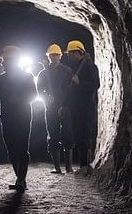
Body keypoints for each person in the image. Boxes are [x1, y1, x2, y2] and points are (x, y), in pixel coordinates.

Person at [0, 45, 39, 192]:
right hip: (7, 118)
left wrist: (19, 99)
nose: (2, 63)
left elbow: (34, 95)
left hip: (22, 118)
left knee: (21, 148)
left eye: (4, 60)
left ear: (12, 61)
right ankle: (19, 178)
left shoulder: (27, 77)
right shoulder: (1, 79)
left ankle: (21, 179)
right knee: (11, 150)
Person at [62, 39, 100, 175]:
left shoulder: (90, 67)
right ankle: (83, 165)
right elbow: (71, 89)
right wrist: (65, 105)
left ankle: (85, 166)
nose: (69, 57)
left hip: (86, 107)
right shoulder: (78, 67)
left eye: (71, 54)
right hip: (77, 107)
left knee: (84, 134)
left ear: (78, 52)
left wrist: (80, 83)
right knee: (78, 134)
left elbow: (95, 85)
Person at [37, 43, 75, 174]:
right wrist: (46, 97)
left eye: (56, 55)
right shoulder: (43, 73)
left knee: (68, 134)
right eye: (51, 55)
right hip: (51, 108)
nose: (54, 57)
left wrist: (65, 105)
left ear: (60, 56)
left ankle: (69, 167)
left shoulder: (67, 71)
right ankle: (57, 167)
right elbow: (39, 90)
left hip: (65, 107)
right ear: (48, 57)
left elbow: (71, 90)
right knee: (53, 135)